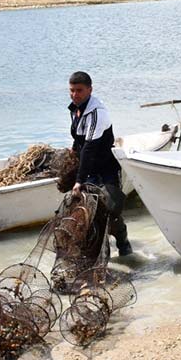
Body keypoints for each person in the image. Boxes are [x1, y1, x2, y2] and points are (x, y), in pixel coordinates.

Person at [67, 71, 132, 256]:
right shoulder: (76, 108)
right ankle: (101, 253)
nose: (75, 94)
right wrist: (73, 150)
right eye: (71, 90)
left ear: (90, 90)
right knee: (91, 214)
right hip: (89, 168)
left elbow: (89, 148)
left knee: (111, 211)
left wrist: (79, 180)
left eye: (79, 90)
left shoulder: (97, 113)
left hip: (106, 169)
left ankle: (124, 246)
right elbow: (79, 138)